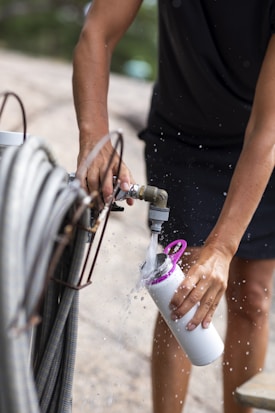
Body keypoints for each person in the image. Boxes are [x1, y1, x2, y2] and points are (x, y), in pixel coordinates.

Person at [72, 1, 275, 412]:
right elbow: (98, 32)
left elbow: (266, 131)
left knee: (252, 295)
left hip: (264, 139)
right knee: (178, 291)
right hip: (185, 136)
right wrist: (95, 139)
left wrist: (222, 248)